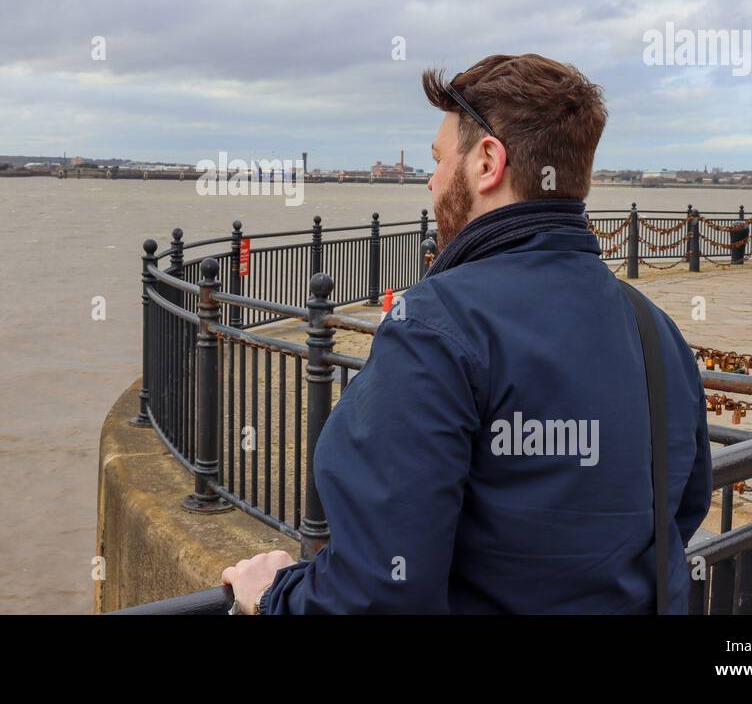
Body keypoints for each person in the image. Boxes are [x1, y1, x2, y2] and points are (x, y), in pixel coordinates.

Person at [221, 54, 713, 614]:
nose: (431, 182)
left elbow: (378, 594)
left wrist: (271, 594)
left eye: (438, 159)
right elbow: (679, 512)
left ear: (486, 162)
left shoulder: (436, 327)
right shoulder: (653, 328)